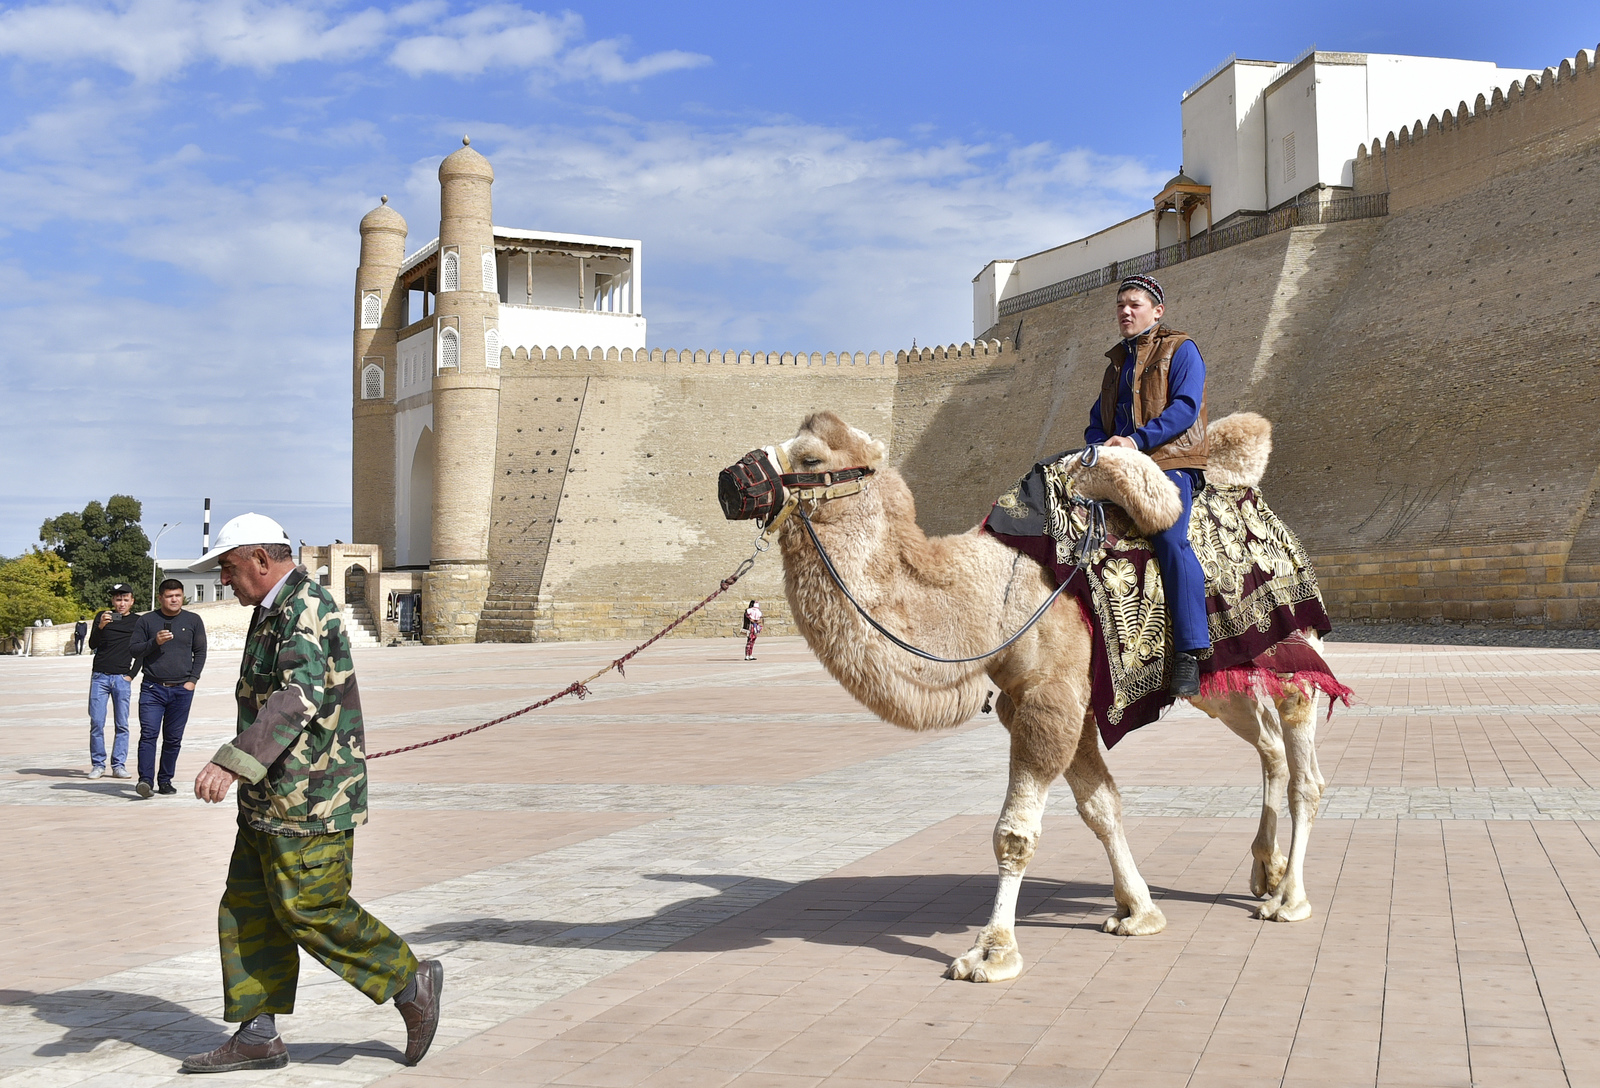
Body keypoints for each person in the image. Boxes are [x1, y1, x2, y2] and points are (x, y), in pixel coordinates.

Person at [180, 513, 441, 1074]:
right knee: (249, 907)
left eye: (227, 568)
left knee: (309, 906)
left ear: (259, 560)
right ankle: (257, 1033)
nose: (225, 581)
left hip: (311, 797)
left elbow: (296, 697)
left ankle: (406, 980)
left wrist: (231, 763)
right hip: (270, 797)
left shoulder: (305, 606)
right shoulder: (273, 606)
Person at [1084, 274, 1211, 697]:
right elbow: (1095, 425)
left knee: (1170, 539)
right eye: (1120, 305)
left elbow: (1186, 409)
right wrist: (1097, 450)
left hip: (1169, 462)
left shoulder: (1181, 349)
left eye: (1134, 304)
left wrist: (1137, 442)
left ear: (1157, 311)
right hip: (1122, 465)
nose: (1125, 311)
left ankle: (1190, 651)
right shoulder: (1114, 366)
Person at [130, 579, 208, 798]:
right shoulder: (147, 620)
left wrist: (192, 680)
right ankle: (145, 780)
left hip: (182, 690)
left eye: (178, 595)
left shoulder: (193, 620)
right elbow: (135, 650)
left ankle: (165, 780)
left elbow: (200, 652)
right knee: (149, 735)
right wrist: (155, 642)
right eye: (169, 596)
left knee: (173, 738)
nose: (174, 599)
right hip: (153, 688)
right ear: (160, 598)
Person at [85, 583, 141, 780]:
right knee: (97, 723)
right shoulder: (103, 616)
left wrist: (131, 674)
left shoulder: (137, 621)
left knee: (122, 724)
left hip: (121, 678)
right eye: (118, 599)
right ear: (112, 601)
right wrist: (100, 627)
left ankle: (118, 765)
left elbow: (143, 650)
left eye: (125, 599)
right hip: (100, 676)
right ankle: (98, 765)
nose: (121, 603)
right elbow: (92, 644)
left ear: (132, 601)